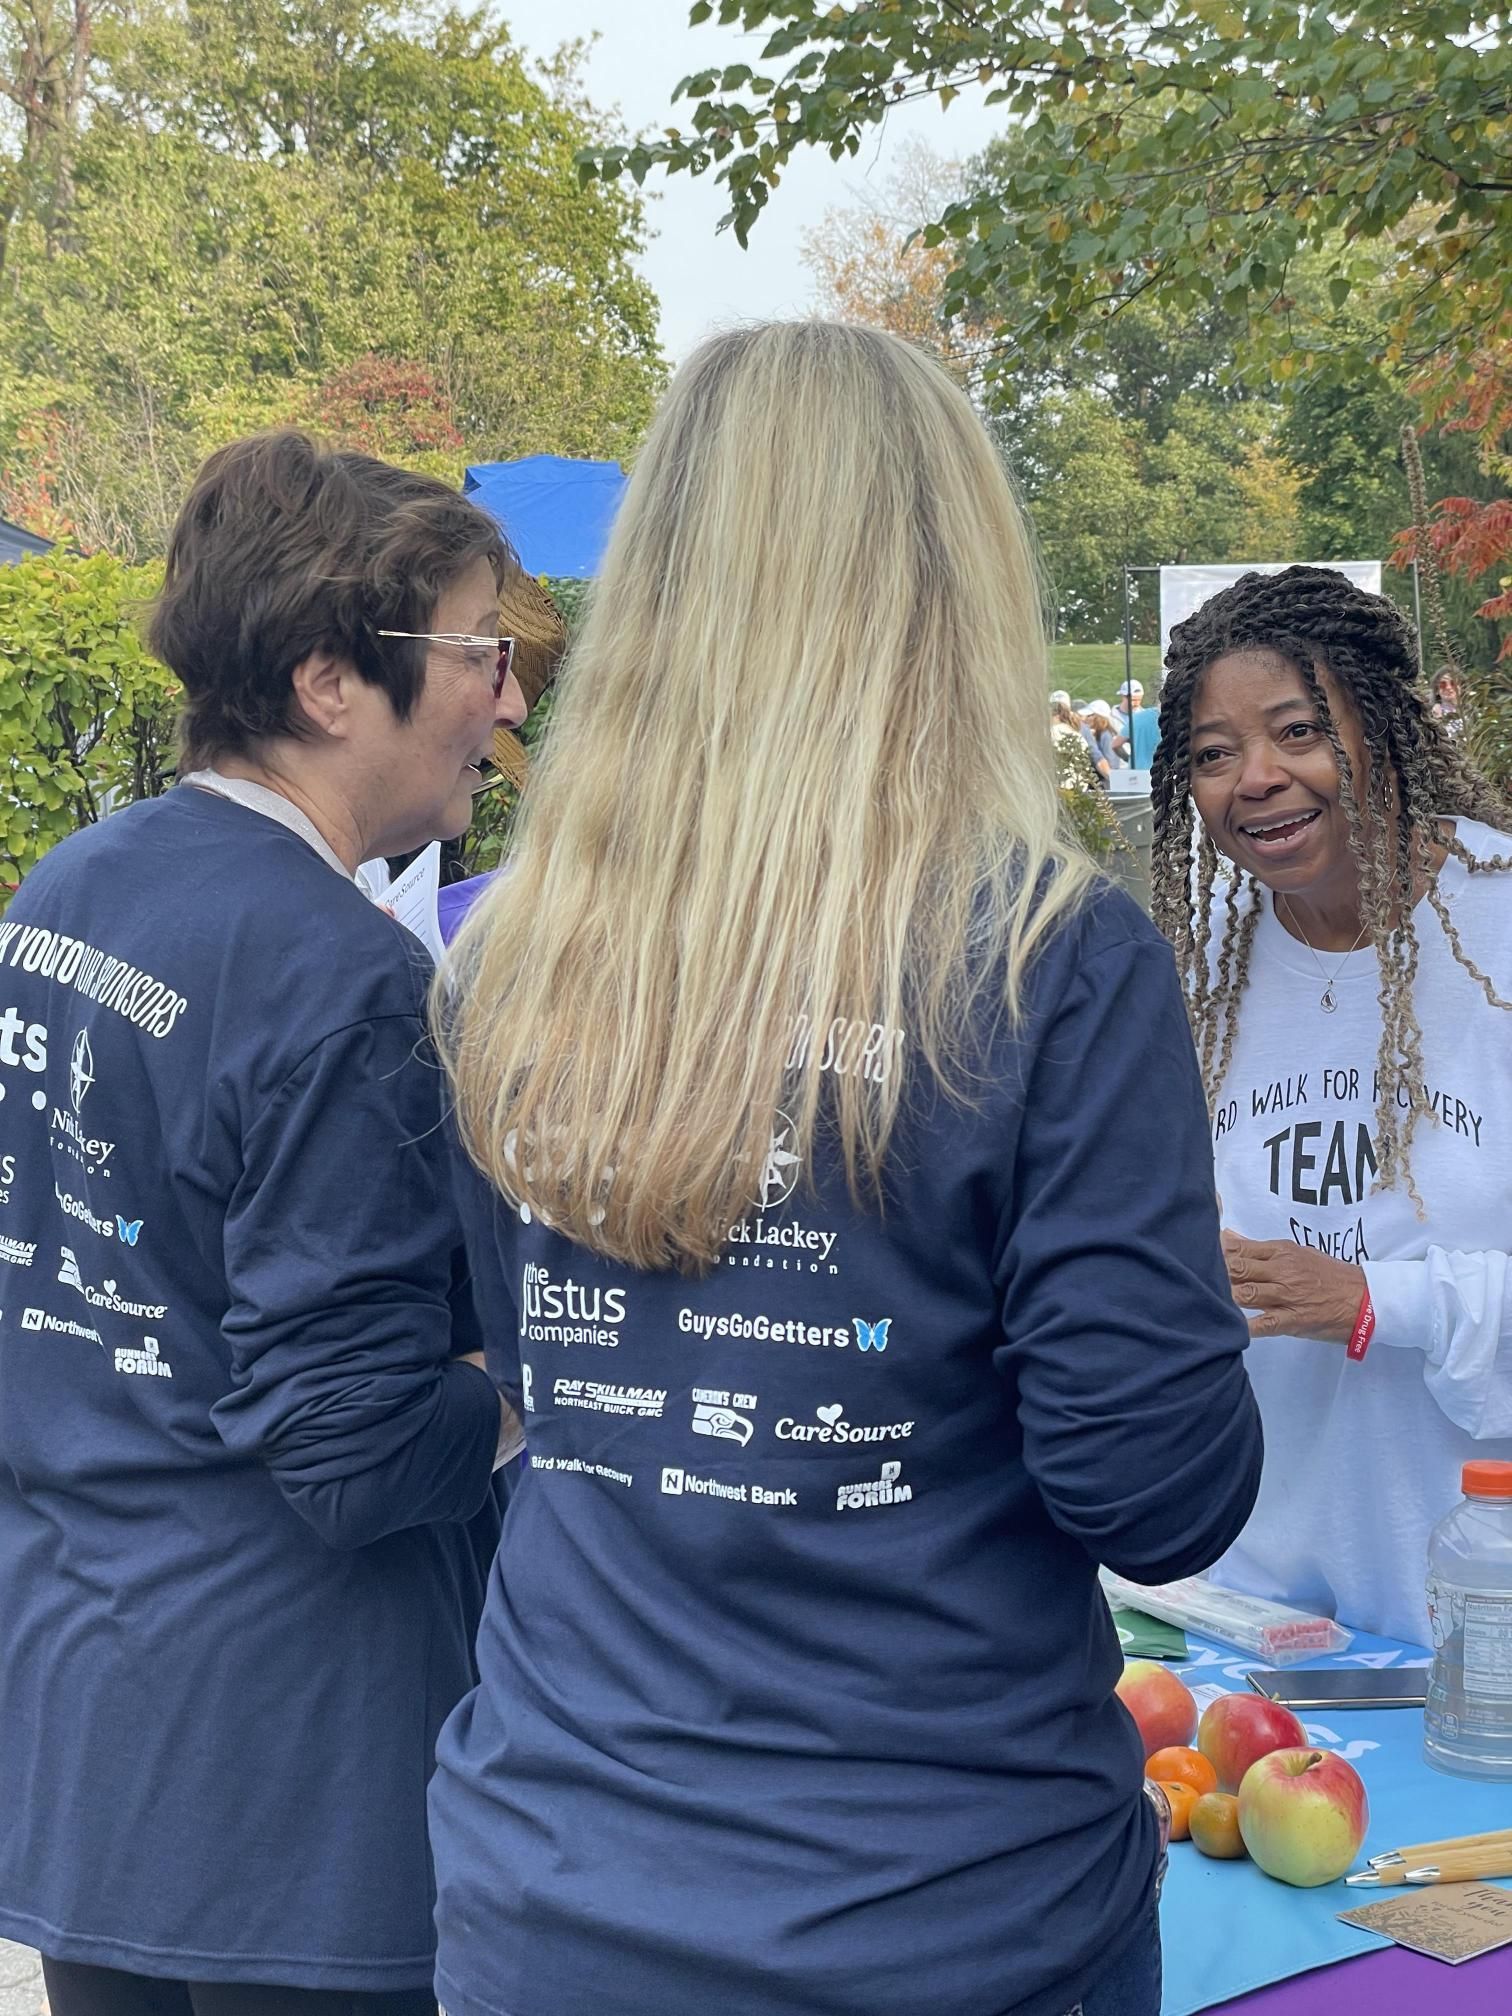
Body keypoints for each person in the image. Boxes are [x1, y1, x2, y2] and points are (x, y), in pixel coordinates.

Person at [431, 321, 1262, 2016]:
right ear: (951, 583)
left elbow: (530, 1375)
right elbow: (1154, 1490)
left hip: (559, 1883)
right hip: (942, 1907)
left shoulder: (505, 953)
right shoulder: (1045, 954)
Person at [0, 431, 528, 2015]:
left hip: (88, 1730)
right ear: (325, 679)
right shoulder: (343, 982)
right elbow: (354, 1448)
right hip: (297, 1789)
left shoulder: (67, 891)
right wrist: (561, 1376)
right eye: (480, 652)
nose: (507, 698)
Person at [1150, 563, 1512, 1647]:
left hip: (1478, 1604)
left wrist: (1371, 1302)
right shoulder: (1195, 971)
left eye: (1298, 731)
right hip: (1256, 1609)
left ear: (1383, 727)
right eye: (1214, 755)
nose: (1255, 778)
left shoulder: (1497, 925)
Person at [1118, 678, 1162, 771]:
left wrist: (1128, 758)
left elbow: (1115, 744)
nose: (1135, 703)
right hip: (1159, 771)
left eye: (1138, 700)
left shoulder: (1137, 717)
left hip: (1136, 771)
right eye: (1133, 700)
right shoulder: (1171, 720)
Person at [1081, 696, 1123, 775]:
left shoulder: (1106, 736)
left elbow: (1112, 764)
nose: (1085, 719)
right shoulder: (1098, 734)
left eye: (1089, 715)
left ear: (1098, 717)